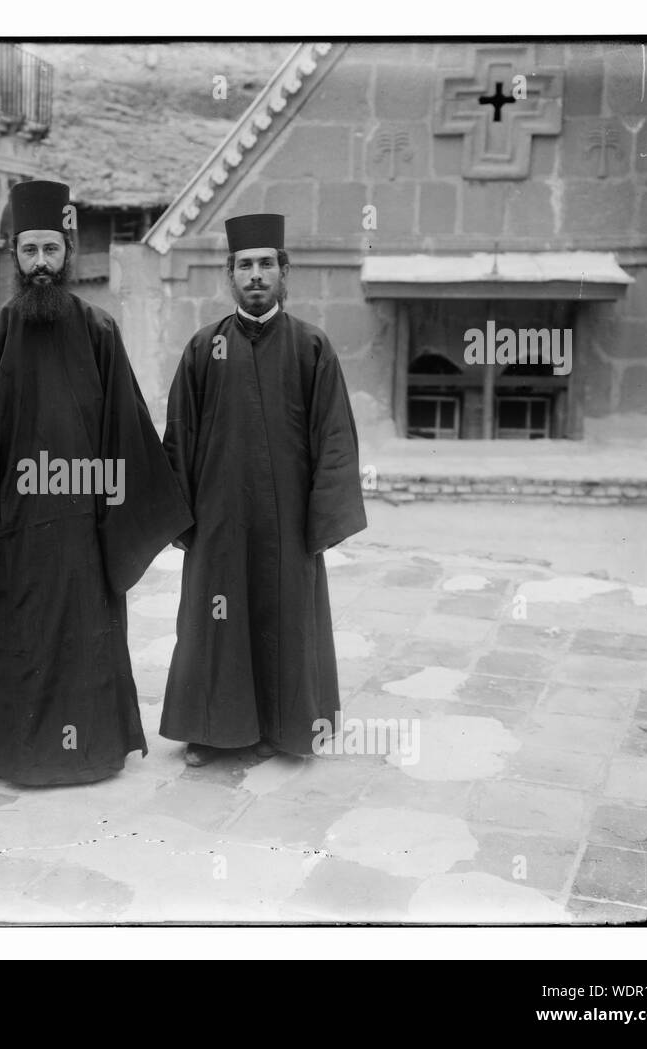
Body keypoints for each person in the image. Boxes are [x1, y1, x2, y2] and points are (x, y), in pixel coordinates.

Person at [0, 179, 191, 786]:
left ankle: (90, 752)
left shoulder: (99, 332)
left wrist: (118, 519)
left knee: (83, 646)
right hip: (9, 536)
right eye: (29, 252)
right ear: (15, 257)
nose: (41, 264)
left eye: (51, 250)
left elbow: (127, 433)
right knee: (13, 645)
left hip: (82, 535)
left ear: (66, 252)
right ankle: (12, 753)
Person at [160, 213, 367, 767]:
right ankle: (211, 730)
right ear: (229, 274)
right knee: (214, 623)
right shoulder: (204, 349)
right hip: (220, 522)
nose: (256, 275)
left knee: (287, 620)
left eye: (266, 264)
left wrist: (322, 521)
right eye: (245, 265)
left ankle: (287, 728)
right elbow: (178, 436)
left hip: (289, 524)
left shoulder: (311, 347)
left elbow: (336, 438)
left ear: (284, 271)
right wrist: (183, 521)